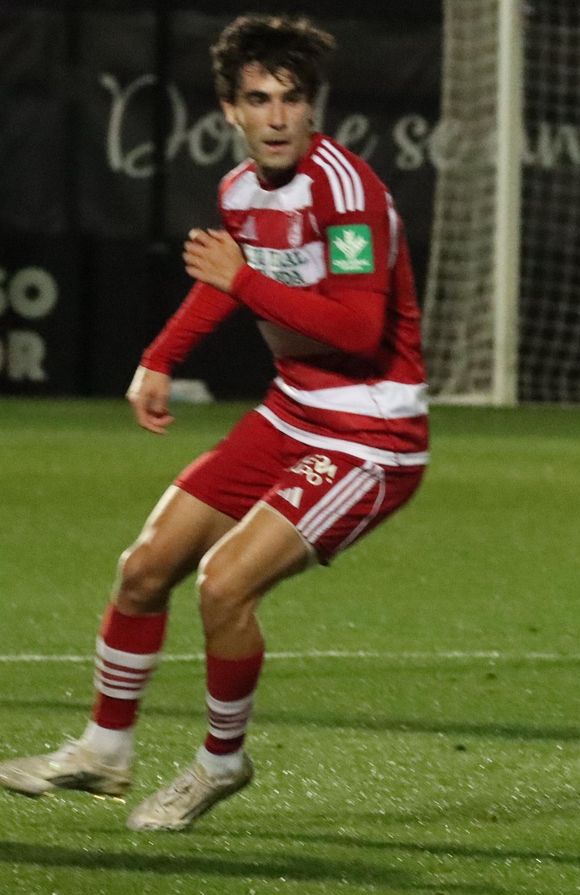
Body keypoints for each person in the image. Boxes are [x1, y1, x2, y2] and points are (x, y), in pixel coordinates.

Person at [0, 15, 429, 830]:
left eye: (292, 100)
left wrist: (242, 279)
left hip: (371, 437)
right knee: (144, 566)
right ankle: (103, 750)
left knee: (225, 584)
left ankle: (221, 763)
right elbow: (222, 284)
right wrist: (159, 357)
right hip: (291, 414)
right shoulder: (240, 192)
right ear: (229, 110)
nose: (276, 117)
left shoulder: (346, 189)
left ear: (313, 108)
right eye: (258, 100)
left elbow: (355, 327)